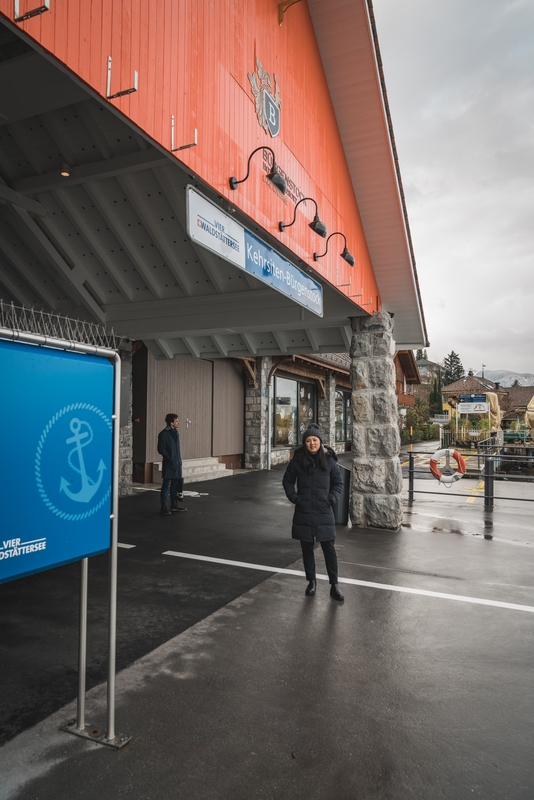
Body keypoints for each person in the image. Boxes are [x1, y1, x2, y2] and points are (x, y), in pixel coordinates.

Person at [282, 423, 344, 601]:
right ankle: (312, 582)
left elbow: (338, 484)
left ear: (320, 441)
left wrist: (331, 499)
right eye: (308, 440)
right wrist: (295, 499)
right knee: (307, 548)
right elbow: (287, 481)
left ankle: (335, 585)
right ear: (304, 443)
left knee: (328, 548)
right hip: (304, 511)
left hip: (324, 511)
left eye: (314, 440)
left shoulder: (330, 461)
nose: (312, 443)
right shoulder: (297, 461)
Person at [157, 413, 186, 516]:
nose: (179, 422)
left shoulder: (176, 433)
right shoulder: (163, 434)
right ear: (171, 423)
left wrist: (178, 460)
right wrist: (170, 458)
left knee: (175, 484)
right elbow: (161, 449)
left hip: (177, 463)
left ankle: (174, 504)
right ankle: (163, 506)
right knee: (166, 484)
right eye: (177, 421)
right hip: (170, 464)